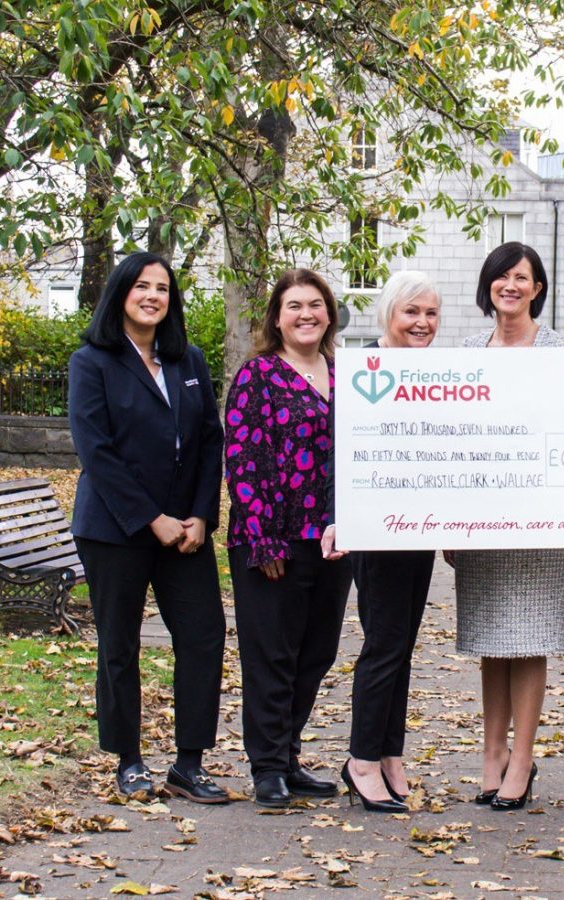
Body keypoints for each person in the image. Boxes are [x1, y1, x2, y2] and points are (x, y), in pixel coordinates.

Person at [67, 251, 229, 804]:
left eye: (162, 288)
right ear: (120, 294)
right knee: (120, 644)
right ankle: (128, 759)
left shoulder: (189, 361)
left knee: (204, 637)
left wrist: (202, 515)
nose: (153, 296)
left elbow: (211, 440)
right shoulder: (92, 362)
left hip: (186, 531)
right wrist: (149, 519)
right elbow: (98, 451)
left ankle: (189, 762)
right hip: (115, 530)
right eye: (142, 286)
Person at [450, 242, 564, 811]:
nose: (511, 285)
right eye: (502, 276)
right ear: (488, 285)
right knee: (491, 643)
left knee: (528, 639)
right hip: (481, 523)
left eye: (522, 277)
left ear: (539, 288)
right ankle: (491, 754)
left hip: (541, 521)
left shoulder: (561, 352)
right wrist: (449, 522)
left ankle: (521, 759)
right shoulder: (466, 353)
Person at [224, 268, 352, 809]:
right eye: (295, 305)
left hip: (336, 542)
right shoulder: (257, 376)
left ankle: (291, 755)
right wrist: (264, 540)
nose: (307, 314)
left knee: (315, 654)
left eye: (316, 304)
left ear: (329, 314)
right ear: (277, 317)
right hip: (273, 541)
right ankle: (268, 767)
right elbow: (244, 461)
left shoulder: (348, 373)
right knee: (271, 656)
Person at [340, 271, 442, 813]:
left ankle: (390, 753)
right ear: (388, 316)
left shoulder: (436, 370)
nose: (422, 323)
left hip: (419, 527)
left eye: (430, 314)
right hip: (377, 527)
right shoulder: (365, 369)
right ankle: (360, 759)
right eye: (412, 313)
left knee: (402, 644)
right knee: (382, 643)